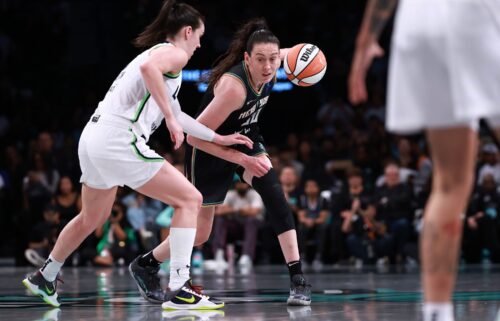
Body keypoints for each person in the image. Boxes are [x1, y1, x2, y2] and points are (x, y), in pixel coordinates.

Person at [22, 0, 251, 309]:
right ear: (187, 31)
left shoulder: (156, 56)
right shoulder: (173, 53)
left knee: (92, 217)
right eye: (199, 35)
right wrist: (169, 121)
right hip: (118, 138)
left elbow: (177, 112)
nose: (199, 43)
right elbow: (153, 78)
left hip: (93, 138)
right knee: (190, 199)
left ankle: (45, 276)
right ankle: (180, 288)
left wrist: (217, 136)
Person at [131, 18, 312, 307]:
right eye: (260, 60)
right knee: (201, 234)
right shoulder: (234, 88)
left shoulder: (275, 63)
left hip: (245, 136)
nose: (268, 67)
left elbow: (301, 54)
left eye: (273, 59)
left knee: (275, 194)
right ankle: (146, 263)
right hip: (208, 147)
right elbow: (194, 137)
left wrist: (315, 59)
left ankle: (298, 279)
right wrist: (241, 160)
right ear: (246, 59)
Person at [349, 1, 500, 321]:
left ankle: (437, 313)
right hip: (480, 16)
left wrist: (364, 42)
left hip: (419, 24)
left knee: (449, 184)